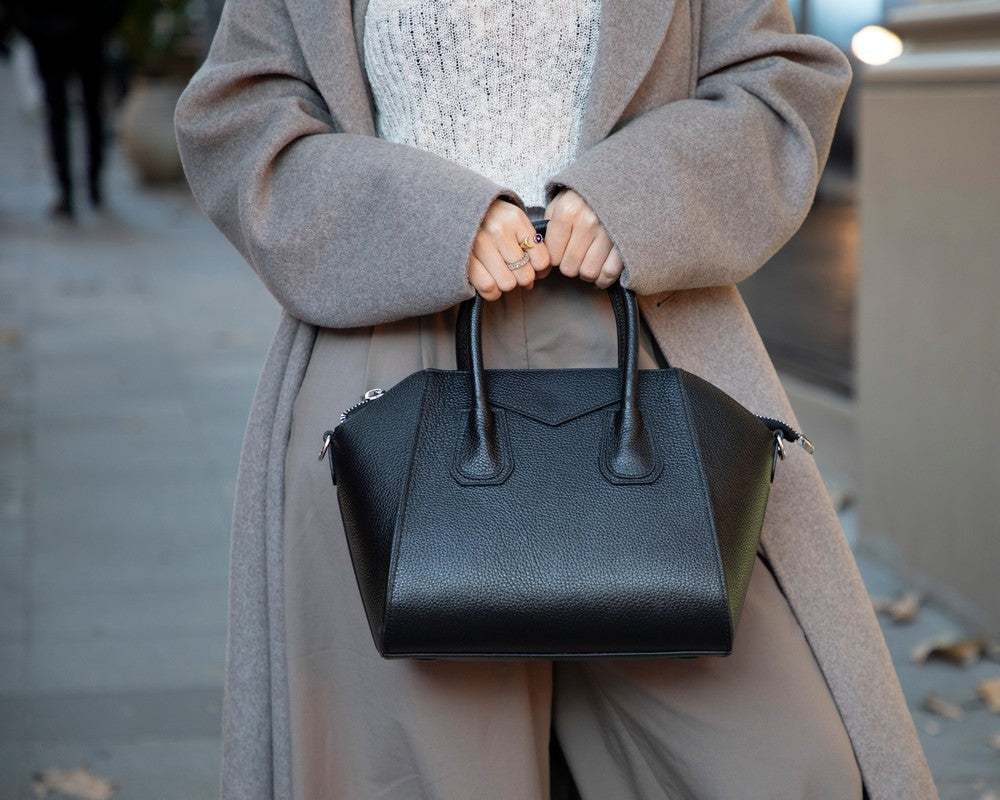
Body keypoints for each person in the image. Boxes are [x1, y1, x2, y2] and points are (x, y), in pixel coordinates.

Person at [174, 1, 937, 798]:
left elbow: (779, 86)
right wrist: (424, 218)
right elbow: (239, 115)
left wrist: (637, 195)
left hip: (643, 339)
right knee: (429, 770)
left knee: (782, 762)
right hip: (394, 369)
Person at [8, 0, 122, 217]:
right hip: (53, 38)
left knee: (89, 113)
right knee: (60, 115)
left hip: (86, 34)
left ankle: (92, 185)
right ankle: (68, 189)